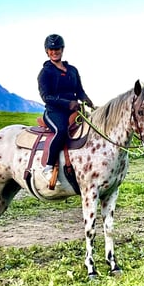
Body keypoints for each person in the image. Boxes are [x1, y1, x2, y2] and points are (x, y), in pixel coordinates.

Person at [37, 34, 94, 188]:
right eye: (51, 49)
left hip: (74, 110)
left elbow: (79, 91)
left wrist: (88, 102)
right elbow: (46, 96)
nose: (55, 52)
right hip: (54, 111)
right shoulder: (45, 73)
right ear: (47, 51)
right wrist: (68, 103)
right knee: (61, 131)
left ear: (62, 50)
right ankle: (48, 167)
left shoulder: (72, 70)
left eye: (57, 49)